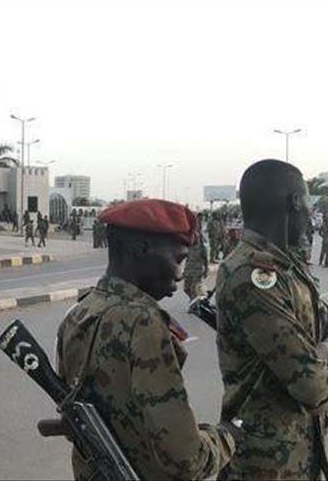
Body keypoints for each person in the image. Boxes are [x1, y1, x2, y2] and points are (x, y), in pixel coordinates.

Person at [56, 199, 237, 480]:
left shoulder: (80, 312)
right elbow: (185, 458)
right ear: (141, 249)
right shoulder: (143, 324)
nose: (180, 273)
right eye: (178, 259)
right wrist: (228, 437)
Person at [216, 160, 328, 480]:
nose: (309, 216)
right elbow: (310, 385)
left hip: (298, 450)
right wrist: (324, 357)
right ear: (295, 202)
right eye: (308, 205)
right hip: (265, 463)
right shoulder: (252, 275)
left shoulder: (288, 268)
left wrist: (327, 350)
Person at [182, 217, 209, 301]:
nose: (194, 238)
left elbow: (205, 260)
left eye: (196, 236)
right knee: (186, 289)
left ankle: (194, 303)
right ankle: (193, 299)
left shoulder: (202, 248)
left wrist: (206, 270)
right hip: (188, 271)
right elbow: (185, 259)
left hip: (197, 272)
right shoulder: (188, 247)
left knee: (194, 289)